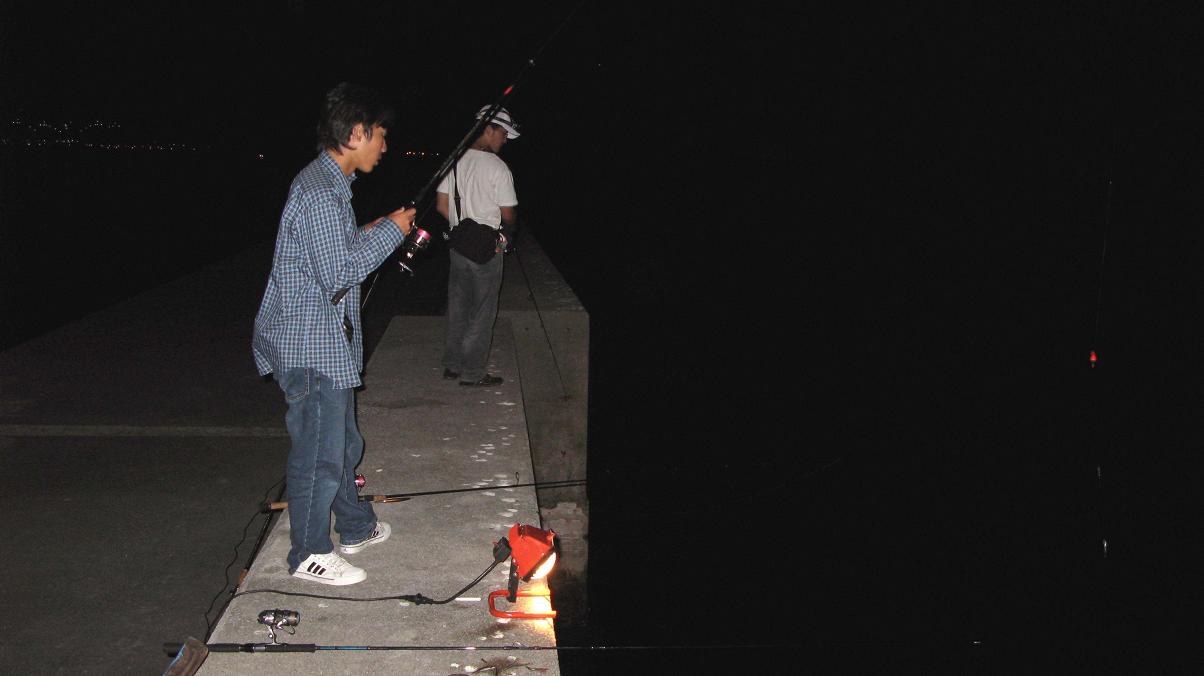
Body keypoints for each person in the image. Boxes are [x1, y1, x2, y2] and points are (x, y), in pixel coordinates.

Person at [252, 82, 416, 586]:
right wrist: (390, 232)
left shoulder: (328, 184)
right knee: (319, 455)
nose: (384, 146)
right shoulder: (321, 192)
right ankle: (307, 553)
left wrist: (369, 230)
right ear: (357, 133)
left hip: (325, 342)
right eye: (381, 135)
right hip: (310, 346)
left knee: (343, 444)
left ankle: (355, 526)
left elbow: (330, 252)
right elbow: (337, 273)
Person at [437, 105, 520, 387]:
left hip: (458, 244)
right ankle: (472, 373)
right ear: (488, 129)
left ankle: (452, 364)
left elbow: (442, 206)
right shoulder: (498, 168)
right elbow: (508, 213)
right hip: (487, 249)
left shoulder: (454, 161)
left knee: (458, 305)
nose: (505, 140)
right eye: (503, 134)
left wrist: (464, 229)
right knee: (483, 310)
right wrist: (502, 236)